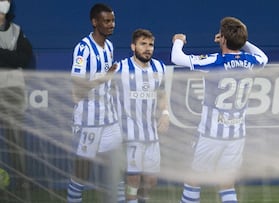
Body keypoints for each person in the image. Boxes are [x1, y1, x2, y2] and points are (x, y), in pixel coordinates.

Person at [171, 16, 268, 203]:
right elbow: (264, 56)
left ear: (222, 38)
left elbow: (176, 58)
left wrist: (178, 40)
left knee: (193, 179)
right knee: (226, 182)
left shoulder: (215, 61)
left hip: (211, 134)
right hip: (237, 135)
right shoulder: (253, 61)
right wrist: (241, 41)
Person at [67, 3, 125, 203]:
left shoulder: (109, 47)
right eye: (106, 21)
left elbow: (107, 80)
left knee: (116, 163)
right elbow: (78, 86)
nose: (111, 25)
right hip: (88, 117)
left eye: (113, 21)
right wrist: (104, 77)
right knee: (83, 168)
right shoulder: (83, 49)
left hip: (109, 116)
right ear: (95, 22)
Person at [114, 28, 169, 203]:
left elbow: (162, 94)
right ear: (133, 46)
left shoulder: (159, 67)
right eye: (143, 44)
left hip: (151, 133)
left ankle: (140, 199)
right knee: (133, 177)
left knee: (151, 180)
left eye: (151, 45)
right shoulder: (120, 68)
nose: (147, 48)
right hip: (129, 133)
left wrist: (165, 114)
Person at [0, 0, 33, 191]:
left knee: (15, 139)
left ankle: (22, 182)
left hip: (13, 90)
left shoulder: (17, 31)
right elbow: (16, 58)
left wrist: (2, 55)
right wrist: (10, 57)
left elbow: (24, 57)